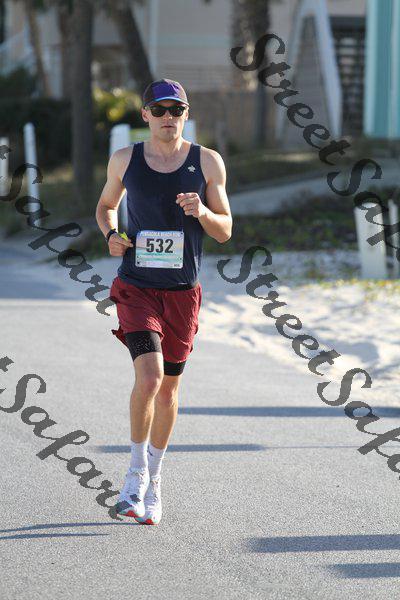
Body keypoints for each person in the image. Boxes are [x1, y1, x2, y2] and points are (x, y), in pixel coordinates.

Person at [95, 78, 232, 525]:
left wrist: (202, 212)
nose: (168, 117)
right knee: (150, 377)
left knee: (170, 388)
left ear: (186, 114)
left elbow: (225, 230)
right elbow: (106, 206)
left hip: (182, 293)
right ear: (146, 115)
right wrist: (111, 234)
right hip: (136, 287)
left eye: (176, 110)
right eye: (159, 110)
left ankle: (154, 480)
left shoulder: (207, 162)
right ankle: (134, 474)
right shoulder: (125, 159)